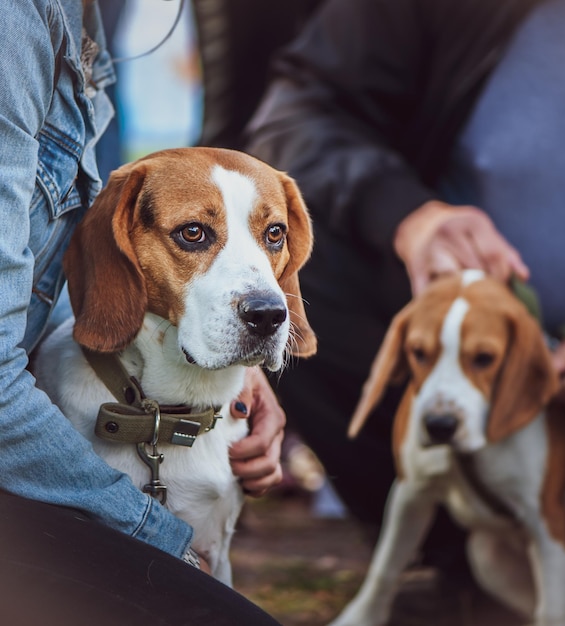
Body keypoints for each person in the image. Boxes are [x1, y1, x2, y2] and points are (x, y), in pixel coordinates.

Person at [244, 0, 565, 598]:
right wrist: (404, 213)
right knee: (289, 273)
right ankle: (458, 562)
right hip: (451, 333)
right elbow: (294, 116)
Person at [0, 1, 285, 623]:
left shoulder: (88, 27)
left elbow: (29, 277)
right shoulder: (13, 25)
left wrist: (239, 358)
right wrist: (159, 537)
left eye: (273, 237)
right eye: (193, 235)